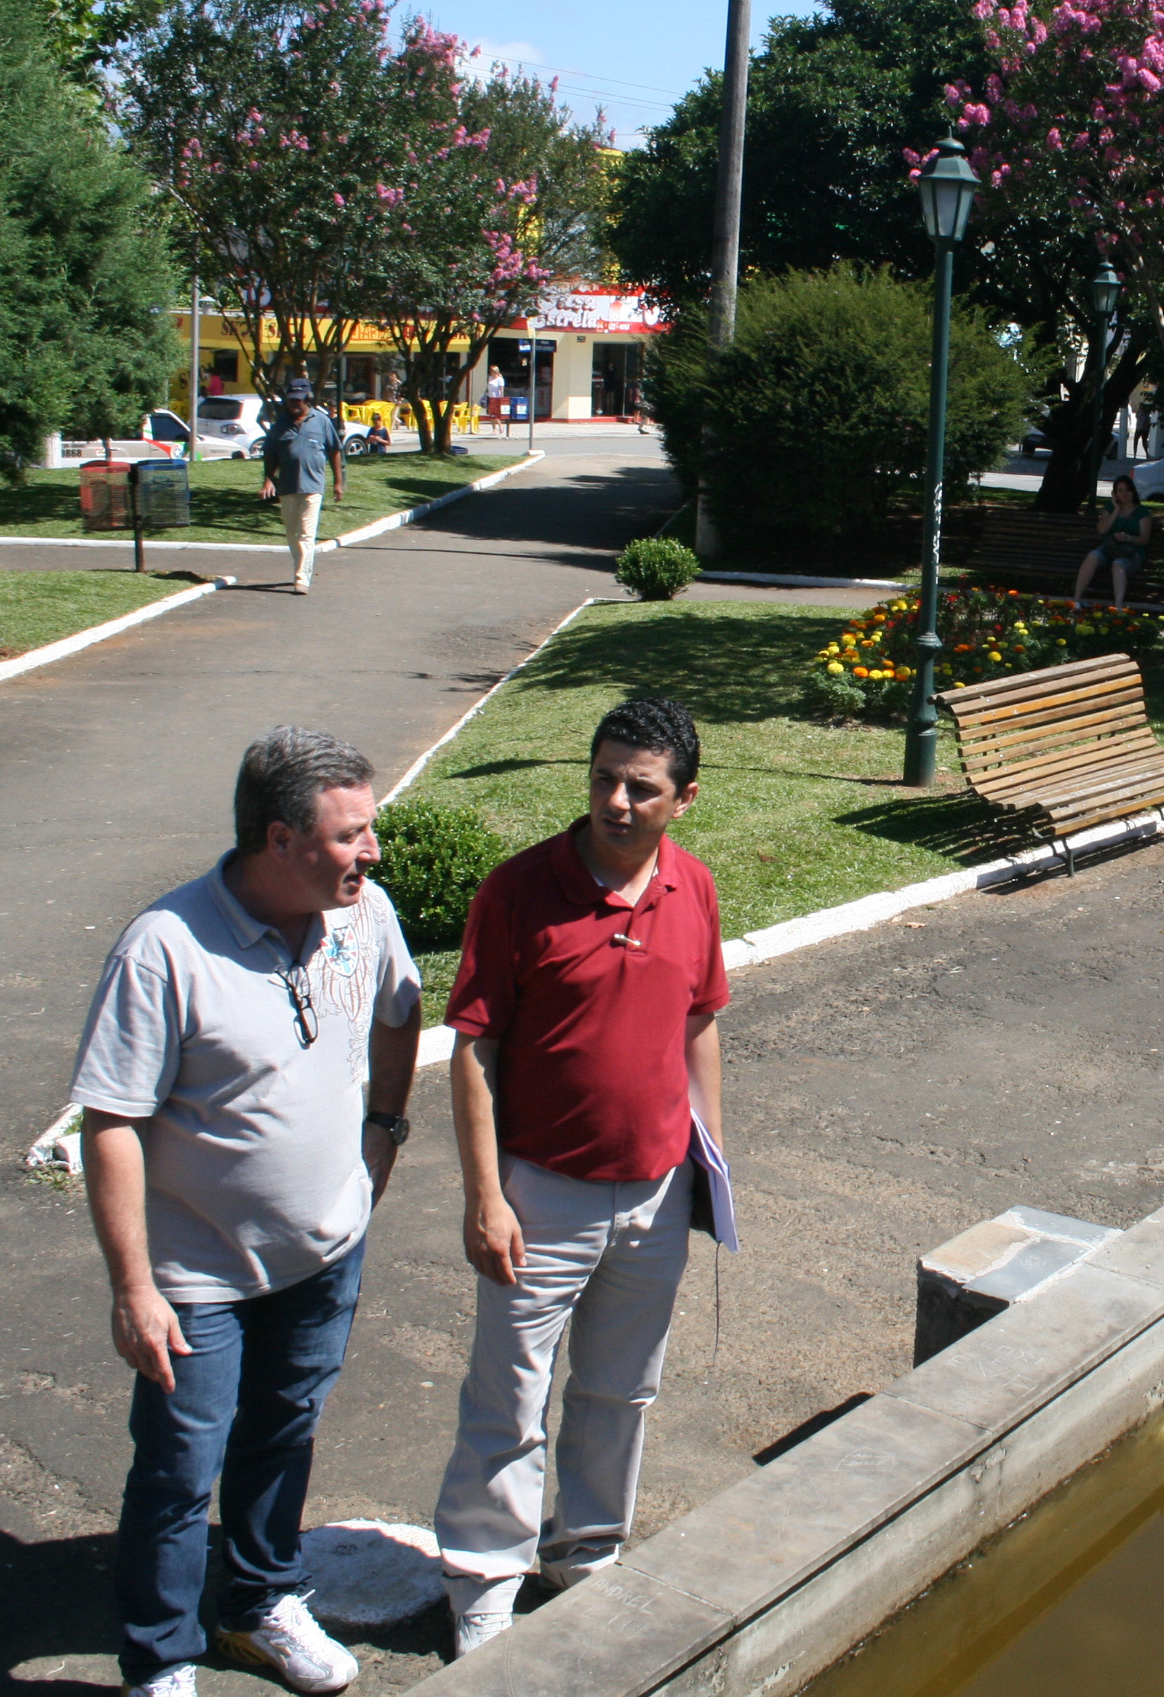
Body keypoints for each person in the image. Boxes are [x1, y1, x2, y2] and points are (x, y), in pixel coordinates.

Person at [73, 727, 422, 1697]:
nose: (374, 850)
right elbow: (111, 1121)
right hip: (198, 1276)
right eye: (352, 833)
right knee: (182, 1471)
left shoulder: (365, 914)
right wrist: (133, 1287)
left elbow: (401, 1007)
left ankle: (261, 1600)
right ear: (281, 837)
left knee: (283, 1430)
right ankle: (161, 1659)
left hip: (325, 1250)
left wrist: (386, 1126)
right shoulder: (166, 948)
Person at [433, 696, 736, 1660]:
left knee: (619, 1391)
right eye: (603, 777)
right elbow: (472, 1051)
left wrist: (708, 1166)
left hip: (654, 1193)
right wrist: (486, 1195)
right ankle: (484, 1579)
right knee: (508, 1399)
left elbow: (699, 1024)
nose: (614, 799)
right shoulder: (519, 891)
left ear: (682, 799)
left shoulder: (695, 888)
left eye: (640, 787)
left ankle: (586, 1549)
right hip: (541, 1195)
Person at [258, 381, 344, 595]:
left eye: (298, 399)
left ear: (307, 399)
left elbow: (334, 451)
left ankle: (301, 578)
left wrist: (338, 482)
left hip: (313, 487)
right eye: (291, 400)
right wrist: (268, 479)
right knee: (292, 534)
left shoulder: (322, 421)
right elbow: (271, 454)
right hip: (287, 487)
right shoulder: (280, 424)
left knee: (306, 533)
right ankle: (301, 568)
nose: (294, 404)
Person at [1073, 474, 1153, 610]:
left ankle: (1118, 606)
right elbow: (1102, 530)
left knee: (1118, 564)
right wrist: (1116, 510)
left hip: (1130, 553)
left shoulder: (1142, 512)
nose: (1124, 494)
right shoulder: (1110, 508)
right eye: (1120, 490)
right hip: (1109, 549)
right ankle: (1075, 600)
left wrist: (1128, 538)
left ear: (1133, 491)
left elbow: (1144, 539)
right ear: (1115, 494)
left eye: (1127, 490)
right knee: (1092, 556)